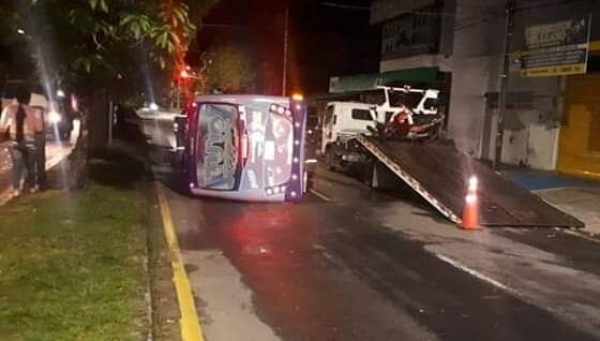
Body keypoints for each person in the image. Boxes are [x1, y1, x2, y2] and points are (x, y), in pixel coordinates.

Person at [0, 86, 44, 197]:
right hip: (30, 139)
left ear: (16, 98)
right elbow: (39, 129)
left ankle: (16, 189)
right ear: (29, 99)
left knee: (17, 164)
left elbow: (2, 127)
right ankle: (32, 186)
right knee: (30, 165)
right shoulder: (35, 111)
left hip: (15, 139)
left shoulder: (9, 109)